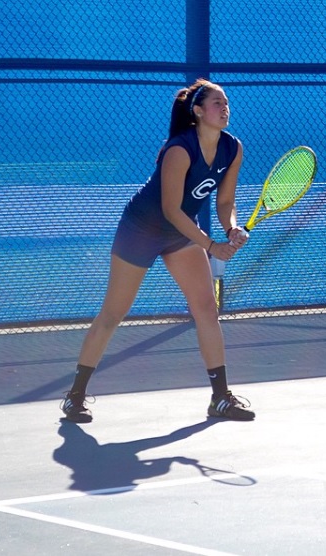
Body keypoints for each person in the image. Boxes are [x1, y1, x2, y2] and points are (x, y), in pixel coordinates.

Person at [60, 79, 254, 423]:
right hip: (142, 229)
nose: (224, 108)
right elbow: (170, 210)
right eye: (216, 103)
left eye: (226, 103)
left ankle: (220, 398)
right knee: (113, 313)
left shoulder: (233, 148)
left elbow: (225, 201)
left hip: (180, 234)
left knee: (206, 309)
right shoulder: (179, 149)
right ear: (197, 111)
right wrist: (210, 245)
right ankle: (75, 396)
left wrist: (231, 228)